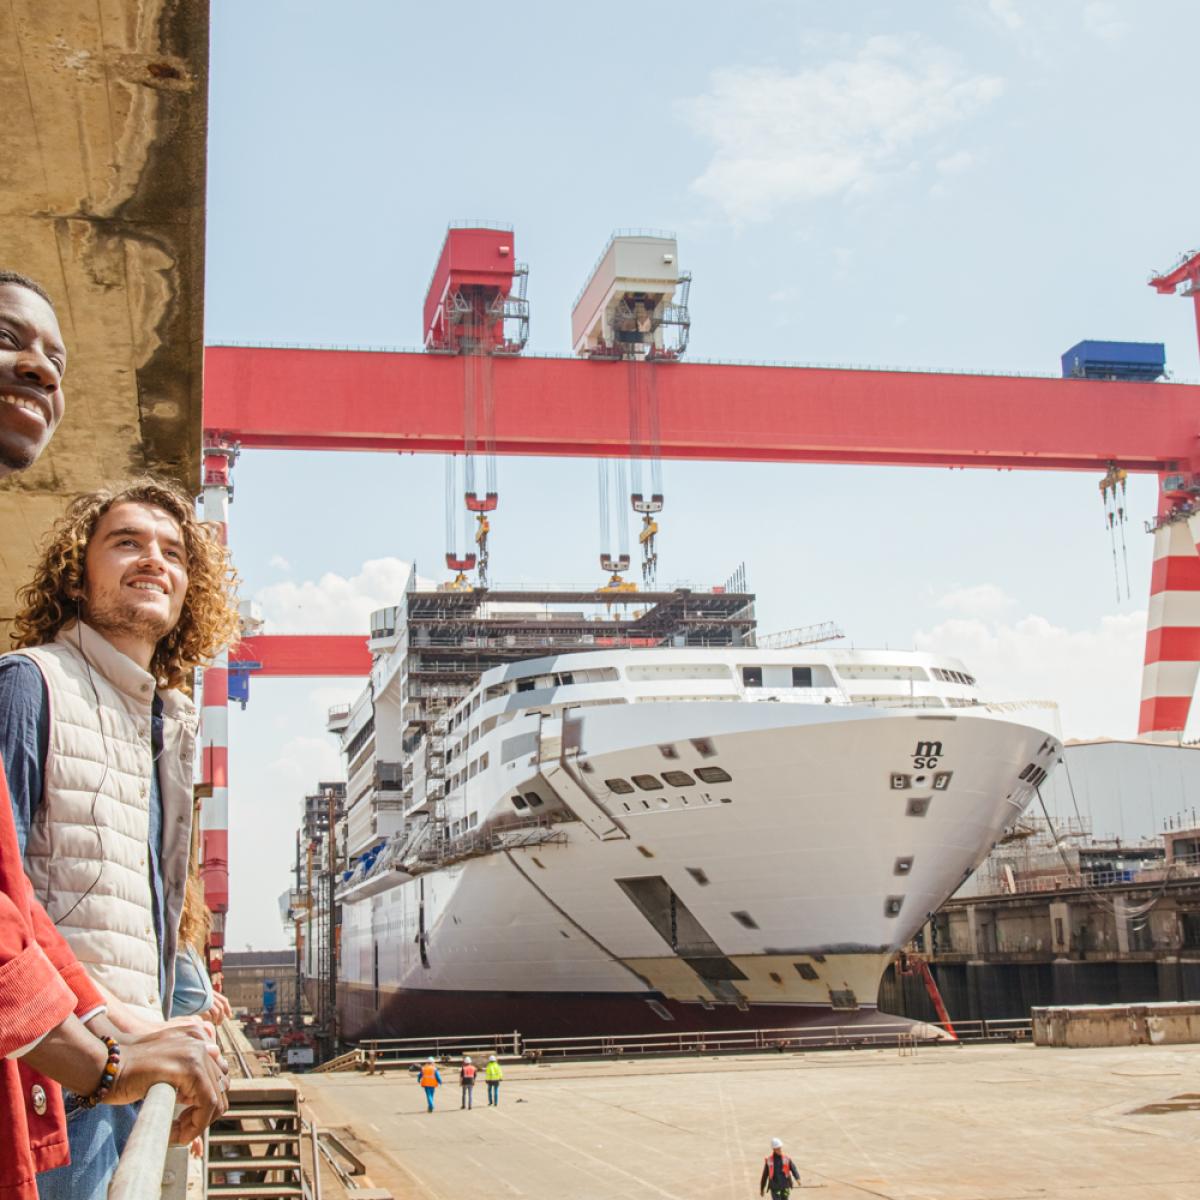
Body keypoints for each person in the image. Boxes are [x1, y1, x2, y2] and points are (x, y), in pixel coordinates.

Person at [0, 271, 229, 1200]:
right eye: (127, 543)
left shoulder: (164, 723)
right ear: (76, 572)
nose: (155, 561)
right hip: (59, 1072)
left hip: (118, 1049)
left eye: (174, 551)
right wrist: (99, 1047)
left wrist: (171, 1014)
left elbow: (155, 900)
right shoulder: (29, 685)